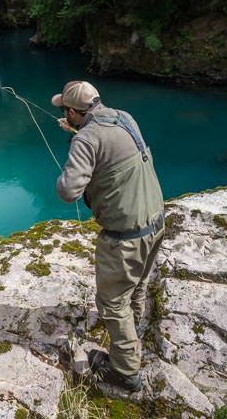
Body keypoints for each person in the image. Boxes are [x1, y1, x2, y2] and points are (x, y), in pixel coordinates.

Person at [52, 80, 165, 393]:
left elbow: (68, 191)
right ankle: (135, 323)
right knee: (138, 282)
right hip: (156, 221)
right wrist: (79, 135)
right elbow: (110, 149)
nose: (64, 112)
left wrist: (77, 145)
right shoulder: (124, 117)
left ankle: (125, 371)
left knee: (112, 302)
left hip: (125, 237)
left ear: (74, 112)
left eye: (65, 109)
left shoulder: (86, 139)